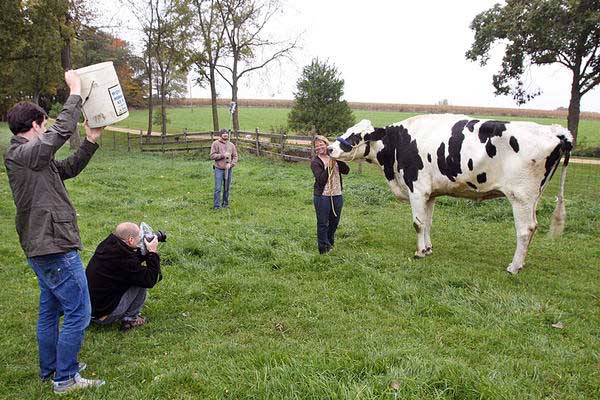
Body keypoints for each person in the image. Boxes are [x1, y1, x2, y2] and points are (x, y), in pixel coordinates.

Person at [3, 70, 105, 394]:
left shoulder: (33, 159)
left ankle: (53, 369)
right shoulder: (22, 154)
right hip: (53, 246)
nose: (46, 128)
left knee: (51, 309)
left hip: (43, 246)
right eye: (43, 124)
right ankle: (65, 378)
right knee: (79, 309)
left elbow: (68, 168)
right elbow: (60, 132)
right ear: (35, 125)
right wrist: (75, 92)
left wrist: (91, 140)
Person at [86, 222, 162, 331]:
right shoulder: (125, 261)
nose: (141, 239)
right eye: (140, 237)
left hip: (89, 310)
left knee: (136, 276)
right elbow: (149, 280)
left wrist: (143, 251)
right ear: (130, 240)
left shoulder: (108, 245)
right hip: (103, 315)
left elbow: (130, 262)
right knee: (140, 281)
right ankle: (130, 319)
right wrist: (152, 253)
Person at [310, 135, 350, 254]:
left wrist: (336, 158)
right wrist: (329, 164)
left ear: (327, 145)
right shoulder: (315, 162)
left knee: (334, 222)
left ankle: (330, 243)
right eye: (316, 146)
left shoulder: (334, 157)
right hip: (322, 197)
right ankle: (323, 249)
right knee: (323, 223)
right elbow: (321, 180)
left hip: (337, 195)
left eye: (321, 144)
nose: (319, 147)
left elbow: (346, 171)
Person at [210, 129, 238, 209]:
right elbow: (212, 156)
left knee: (227, 187)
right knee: (218, 188)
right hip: (218, 169)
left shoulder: (231, 145)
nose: (226, 135)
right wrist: (222, 155)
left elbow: (235, 156)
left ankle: (225, 204)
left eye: (227, 134)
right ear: (220, 135)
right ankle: (217, 206)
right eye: (224, 134)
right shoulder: (215, 144)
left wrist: (231, 164)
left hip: (228, 169)